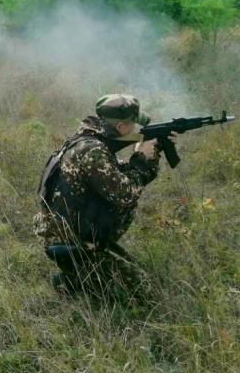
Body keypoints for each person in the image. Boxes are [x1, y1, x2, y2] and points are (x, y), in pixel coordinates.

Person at [33, 94, 176, 297]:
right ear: (120, 127)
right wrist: (142, 158)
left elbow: (115, 175)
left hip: (75, 233)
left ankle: (81, 275)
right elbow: (126, 194)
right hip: (73, 244)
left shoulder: (90, 140)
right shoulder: (92, 151)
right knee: (147, 293)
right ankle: (73, 280)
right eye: (132, 123)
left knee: (138, 278)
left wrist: (150, 151)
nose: (136, 128)